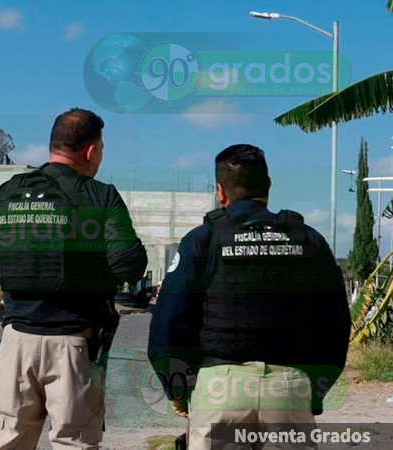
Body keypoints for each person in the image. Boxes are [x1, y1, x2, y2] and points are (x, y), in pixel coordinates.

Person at [0, 108, 148, 449]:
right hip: (74, 344)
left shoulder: (9, 192)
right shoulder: (101, 196)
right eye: (101, 150)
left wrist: (21, 259)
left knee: (9, 441)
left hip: (16, 341)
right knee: (73, 443)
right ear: (90, 151)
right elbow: (129, 266)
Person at [148, 144, 351, 449]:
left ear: (220, 192)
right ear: (268, 185)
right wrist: (315, 390)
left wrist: (179, 390)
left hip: (219, 388)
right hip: (289, 387)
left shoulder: (203, 239)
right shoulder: (309, 240)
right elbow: (336, 324)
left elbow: (168, 323)